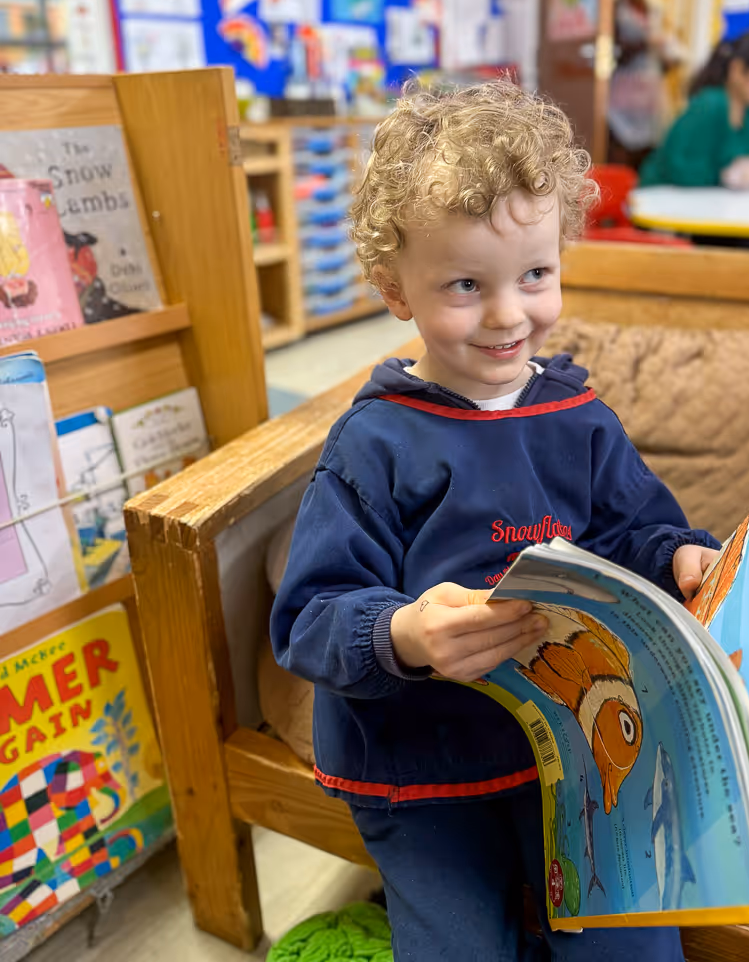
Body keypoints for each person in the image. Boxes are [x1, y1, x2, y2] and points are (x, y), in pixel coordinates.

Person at [271, 80, 720, 961]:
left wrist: (685, 561)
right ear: (394, 288)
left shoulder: (579, 415)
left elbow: (640, 529)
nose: (510, 314)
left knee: (635, 946)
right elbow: (307, 619)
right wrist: (402, 632)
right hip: (423, 773)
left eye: (535, 275)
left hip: (574, 756)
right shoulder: (375, 443)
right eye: (466, 284)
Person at [640, 32, 749, 187]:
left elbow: (747, 161)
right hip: (665, 197)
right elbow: (677, 167)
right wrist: (723, 175)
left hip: (715, 201)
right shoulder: (710, 105)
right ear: (737, 69)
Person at [607, 0, 677, 169]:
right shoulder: (614, 9)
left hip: (651, 97)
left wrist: (667, 59)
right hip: (623, 97)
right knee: (622, 159)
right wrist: (645, 44)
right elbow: (612, 52)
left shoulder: (653, 9)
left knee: (649, 158)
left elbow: (657, 61)